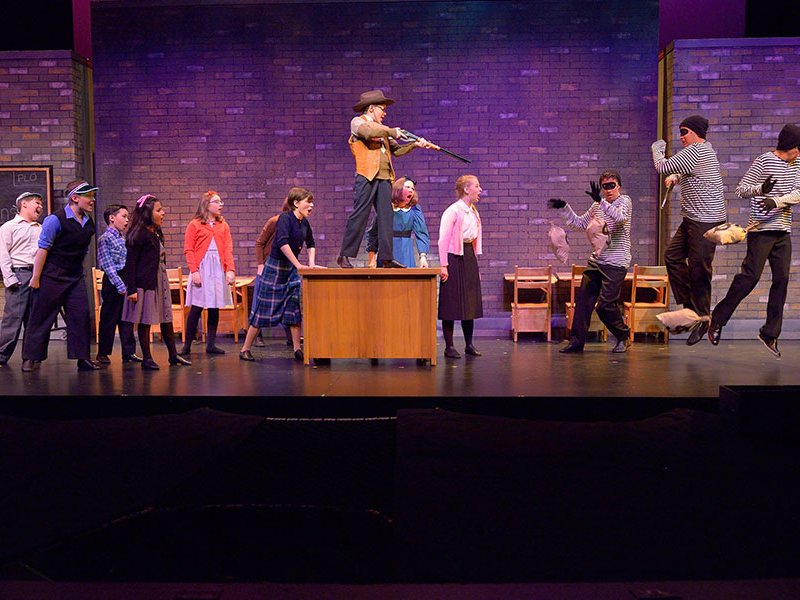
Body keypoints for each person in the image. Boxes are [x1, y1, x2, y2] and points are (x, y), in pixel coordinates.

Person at [708, 124, 800, 358]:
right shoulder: (764, 161)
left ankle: (769, 333)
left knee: (782, 279)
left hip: (782, 231)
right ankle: (717, 319)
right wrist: (761, 189)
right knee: (750, 277)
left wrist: (776, 201)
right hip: (761, 230)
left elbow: (798, 193)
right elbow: (740, 190)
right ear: (790, 146)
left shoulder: (798, 164)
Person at [337, 89, 433, 269]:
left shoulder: (383, 131)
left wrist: (414, 145)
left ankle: (387, 257)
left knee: (386, 216)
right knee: (360, 214)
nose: (384, 113)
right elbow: (367, 132)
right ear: (371, 108)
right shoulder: (358, 122)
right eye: (382, 109)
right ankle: (345, 255)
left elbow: (397, 150)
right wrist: (392, 131)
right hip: (367, 176)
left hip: (384, 178)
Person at [651, 115, 726, 345]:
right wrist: (676, 176)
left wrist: (657, 147)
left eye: (684, 132)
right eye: (680, 132)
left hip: (706, 221)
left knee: (699, 268)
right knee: (672, 256)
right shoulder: (702, 151)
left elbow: (662, 166)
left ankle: (703, 317)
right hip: (692, 219)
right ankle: (690, 309)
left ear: (695, 132)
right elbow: (689, 170)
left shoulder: (696, 151)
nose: (681, 136)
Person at [549, 171, 633, 354]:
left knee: (605, 306)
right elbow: (579, 223)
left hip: (616, 262)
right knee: (583, 301)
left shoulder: (624, 201)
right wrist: (564, 207)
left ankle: (623, 335)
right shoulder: (597, 206)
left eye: (612, 185)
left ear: (619, 186)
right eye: (605, 186)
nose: (608, 190)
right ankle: (576, 342)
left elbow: (620, 219)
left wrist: (600, 201)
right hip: (597, 261)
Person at [21, 181, 100, 372]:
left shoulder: (88, 222)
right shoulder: (55, 220)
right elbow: (43, 249)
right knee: (41, 317)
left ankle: (83, 358)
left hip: (74, 276)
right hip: (52, 275)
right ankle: (31, 357)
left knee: (80, 316)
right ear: (75, 198)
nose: (92, 200)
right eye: (88, 196)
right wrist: (36, 278)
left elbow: (81, 251)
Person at [239, 187, 317, 362]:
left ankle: (297, 349)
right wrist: (298, 264)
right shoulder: (284, 219)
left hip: (291, 271)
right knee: (263, 309)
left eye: (312, 202)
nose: (311, 205)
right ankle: (245, 349)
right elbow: (282, 243)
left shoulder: (304, 223)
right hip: (275, 268)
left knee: (293, 309)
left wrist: (311, 264)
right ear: (296, 203)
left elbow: (311, 243)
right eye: (308, 202)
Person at [121, 194, 191, 370]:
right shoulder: (139, 235)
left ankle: (173, 355)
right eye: (159, 210)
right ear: (147, 213)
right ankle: (147, 358)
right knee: (145, 320)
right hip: (145, 283)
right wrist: (132, 289)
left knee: (166, 317)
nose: (163, 213)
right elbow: (130, 263)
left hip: (159, 279)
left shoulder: (156, 232)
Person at [179, 190, 236, 356]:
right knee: (196, 307)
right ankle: (187, 346)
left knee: (214, 306)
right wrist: (194, 271)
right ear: (207, 205)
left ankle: (211, 344)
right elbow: (189, 249)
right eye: (216, 202)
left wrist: (230, 269)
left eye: (220, 202)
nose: (220, 205)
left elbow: (228, 249)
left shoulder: (223, 225)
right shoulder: (195, 224)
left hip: (217, 267)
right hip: (202, 267)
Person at [438, 175, 484, 359]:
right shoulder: (453, 211)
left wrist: (475, 266)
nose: (480, 190)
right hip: (453, 257)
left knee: (470, 301)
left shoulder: (473, 211)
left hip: (468, 256)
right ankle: (449, 346)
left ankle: (469, 344)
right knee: (450, 302)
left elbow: (473, 239)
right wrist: (443, 265)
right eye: (477, 186)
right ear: (466, 189)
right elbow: (443, 240)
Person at [0, 192, 43, 366]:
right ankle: (1, 355)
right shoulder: (9, 227)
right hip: (19, 274)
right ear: (24, 204)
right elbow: (3, 255)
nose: (40, 206)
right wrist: (9, 278)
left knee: (34, 318)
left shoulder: (40, 228)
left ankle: (31, 356)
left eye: (41, 203)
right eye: (37, 203)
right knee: (13, 318)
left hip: (37, 274)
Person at [95, 204, 141, 364]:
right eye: (124, 216)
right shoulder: (105, 239)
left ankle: (129, 352)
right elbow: (108, 266)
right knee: (109, 318)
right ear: (112, 218)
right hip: (113, 282)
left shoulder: (123, 239)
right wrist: (120, 285)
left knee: (127, 318)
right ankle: (103, 352)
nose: (127, 220)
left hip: (125, 278)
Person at [366, 176, 431, 268]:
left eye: (412, 189)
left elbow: (421, 233)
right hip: (386, 253)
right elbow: (373, 234)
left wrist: (423, 257)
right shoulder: (386, 207)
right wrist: (372, 257)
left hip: (406, 252)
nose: (411, 190)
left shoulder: (414, 210)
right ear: (398, 189)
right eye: (407, 187)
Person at [253, 203, 292, 347]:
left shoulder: (296, 225)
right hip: (268, 265)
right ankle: (257, 336)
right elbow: (259, 243)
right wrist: (260, 264)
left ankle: (291, 337)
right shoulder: (274, 222)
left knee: (287, 300)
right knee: (261, 301)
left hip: (284, 266)